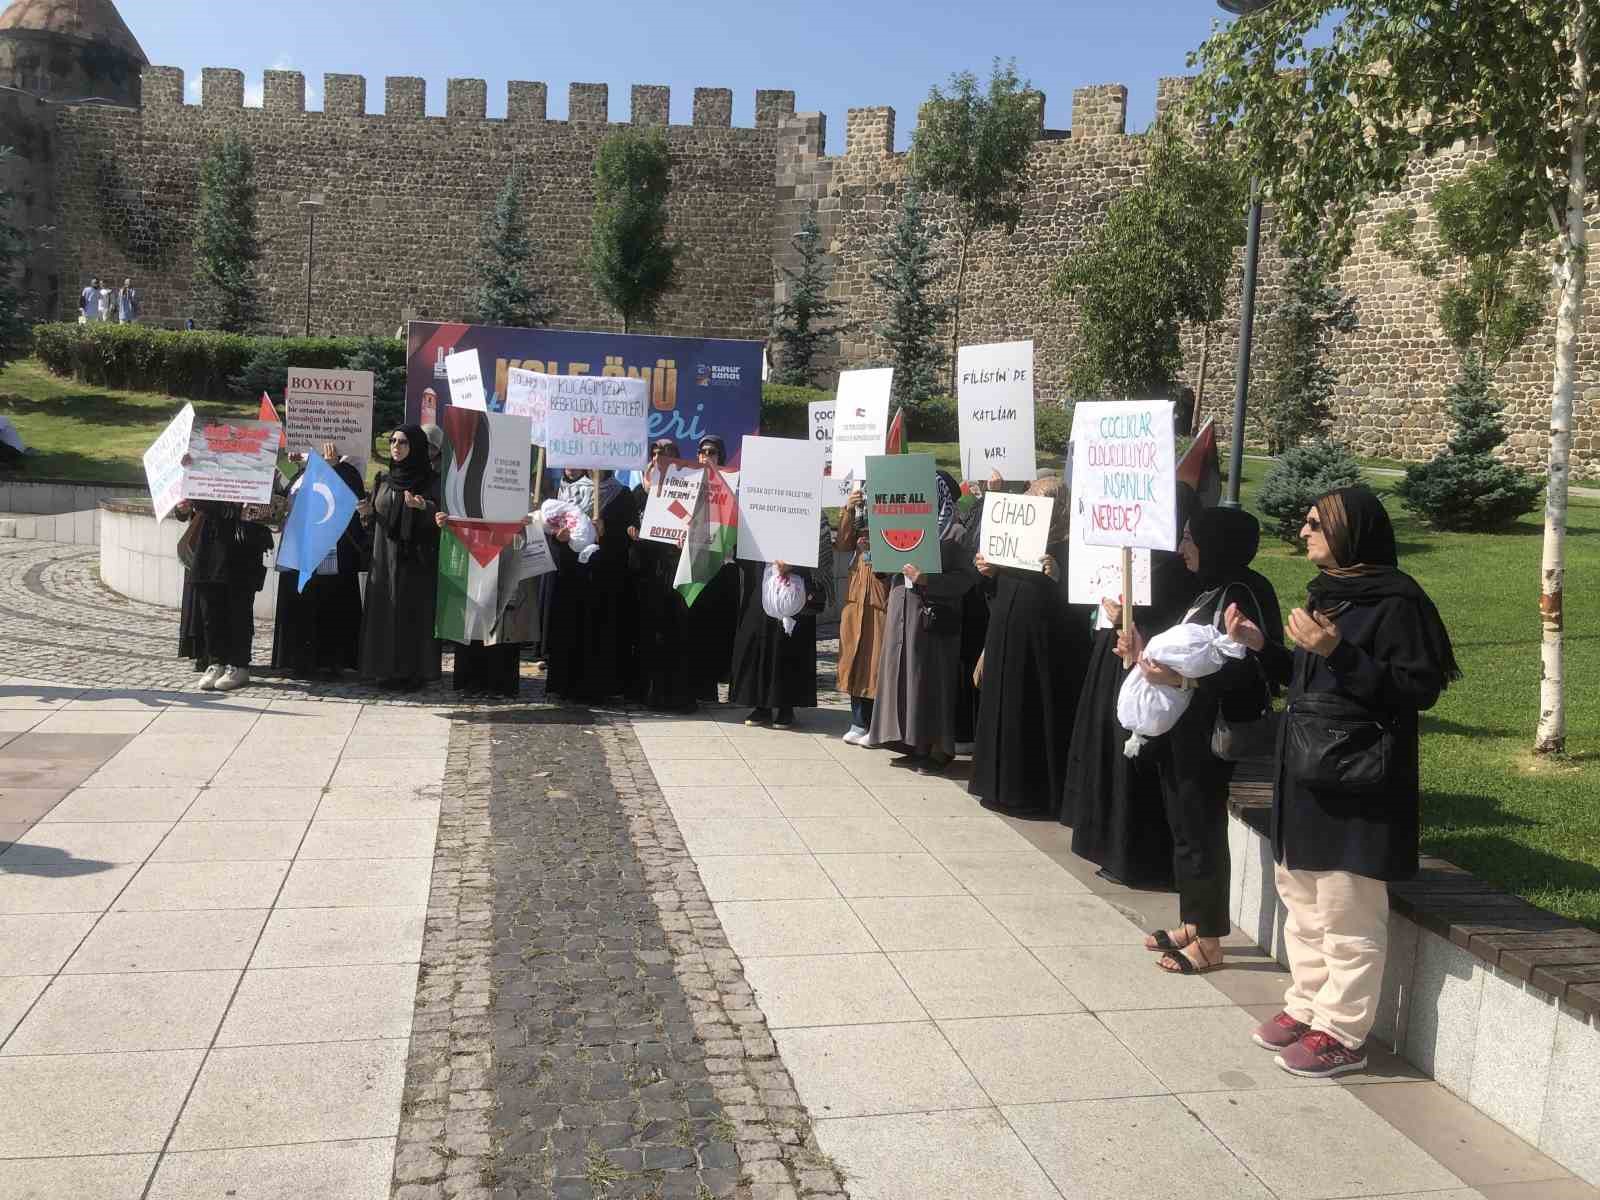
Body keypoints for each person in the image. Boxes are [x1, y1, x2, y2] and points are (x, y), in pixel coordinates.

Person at [1252, 486, 1458, 1078]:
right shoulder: (1330, 594)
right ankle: (1308, 1006)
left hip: (1359, 780)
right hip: (1309, 772)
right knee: (1302, 899)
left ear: (1350, 532)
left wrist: (1337, 651)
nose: (1303, 532)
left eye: (1315, 523)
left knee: (1347, 908)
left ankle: (1342, 1032)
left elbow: (1417, 690)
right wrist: (1264, 648)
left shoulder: (1396, 602)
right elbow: (1310, 684)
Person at [1130, 507, 1290, 975]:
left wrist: (1179, 682)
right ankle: (1194, 922)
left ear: (1215, 543)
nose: (1182, 550)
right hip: (1187, 729)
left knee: (1200, 830)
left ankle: (1211, 941)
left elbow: (1243, 670)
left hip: (1210, 731)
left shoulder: (1241, 593)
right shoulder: (1214, 588)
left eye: (1190, 539)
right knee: (1185, 826)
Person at [1064, 484, 1204, 887]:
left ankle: (1132, 853)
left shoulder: (1176, 572)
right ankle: (1105, 840)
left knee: (1134, 759)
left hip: (1151, 679)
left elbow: (1172, 630)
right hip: (1117, 664)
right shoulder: (1138, 560)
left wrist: (1131, 624)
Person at [968, 476, 1092, 815]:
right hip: (1006, 639)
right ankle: (996, 786)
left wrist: (1058, 576)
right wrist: (990, 572)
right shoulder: (1015, 539)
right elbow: (994, 595)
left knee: (1033, 712)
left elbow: (1083, 604)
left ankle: (1034, 793)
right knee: (1002, 710)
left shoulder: (1071, 546)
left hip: (1045, 651)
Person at [870, 473, 978, 773]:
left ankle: (940, 748)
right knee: (902, 676)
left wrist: (930, 580)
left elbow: (967, 578)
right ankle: (911, 742)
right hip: (901, 612)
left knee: (933, 681)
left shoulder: (955, 532)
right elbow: (888, 566)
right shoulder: (902, 526)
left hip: (933, 620)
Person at [270, 445, 369, 679]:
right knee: (299, 601)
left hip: (331, 548)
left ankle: (330, 661)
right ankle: (298, 659)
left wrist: (332, 466)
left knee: (331, 601)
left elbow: (351, 497)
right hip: (300, 546)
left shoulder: (348, 468)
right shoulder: (300, 470)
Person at [359, 426, 443, 690]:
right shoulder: (383, 479)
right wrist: (366, 511)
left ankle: (412, 672)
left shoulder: (431, 481)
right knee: (385, 608)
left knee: (411, 612)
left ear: (416, 446)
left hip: (416, 558)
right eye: (392, 440)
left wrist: (424, 507)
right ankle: (383, 669)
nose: (396, 446)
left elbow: (443, 516)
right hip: (383, 556)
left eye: (403, 442)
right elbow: (375, 516)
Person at [544, 469, 639, 703]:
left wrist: (609, 532)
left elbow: (631, 534)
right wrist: (559, 537)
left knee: (600, 627)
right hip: (571, 573)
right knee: (570, 625)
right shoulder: (568, 490)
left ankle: (600, 686)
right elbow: (552, 527)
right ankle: (565, 684)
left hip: (604, 575)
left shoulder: (622, 493)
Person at [729, 516, 833, 728]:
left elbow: (822, 549)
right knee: (757, 639)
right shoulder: (757, 499)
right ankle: (761, 704)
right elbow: (742, 546)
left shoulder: (811, 505)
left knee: (789, 642)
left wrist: (796, 564)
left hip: (796, 583)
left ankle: (786, 706)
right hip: (761, 578)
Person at [628, 438, 699, 712]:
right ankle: (647, 691)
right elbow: (628, 524)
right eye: (655, 453)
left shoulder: (686, 491)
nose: (659, 458)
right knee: (648, 633)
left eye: (666, 454)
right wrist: (630, 532)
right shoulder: (637, 494)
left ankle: (677, 694)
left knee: (676, 632)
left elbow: (694, 525)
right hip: (646, 573)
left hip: (674, 571)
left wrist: (688, 533)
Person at [177, 501, 275, 692]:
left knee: (239, 610)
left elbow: (272, 507)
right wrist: (183, 508)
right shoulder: (203, 470)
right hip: (209, 543)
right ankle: (216, 662)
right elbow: (187, 507)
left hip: (242, 544)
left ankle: (239, 665)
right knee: (210, 610)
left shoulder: (262, 470)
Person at [685, 435, 740, 702]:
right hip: (693, 566)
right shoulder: (686, 484)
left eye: (713, 452)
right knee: (693, 630)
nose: (706, 456)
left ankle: (712, 688)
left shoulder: (733, 486)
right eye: (702, 451)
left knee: (716, 632)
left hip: (721, 568)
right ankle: (694, 686)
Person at [834, 485, 889, 744]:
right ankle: (857, 721)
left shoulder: (892, 511)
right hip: (856, 595)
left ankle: (876, 725)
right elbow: (843, 544)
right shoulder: (857, 515)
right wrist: (848, 509)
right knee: (853, 655)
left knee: (876, 660)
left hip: (880, 596)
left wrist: (876, 544)